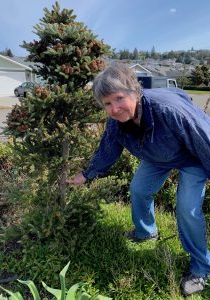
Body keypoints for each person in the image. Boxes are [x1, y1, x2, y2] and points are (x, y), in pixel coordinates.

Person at [66, 62, 210, 296]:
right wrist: (87, 174)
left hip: (192, 156)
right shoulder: (116, 123)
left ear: (135, 90)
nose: (114, 109)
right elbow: (108, 149)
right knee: (139, 189)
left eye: (119, 98)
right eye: (107, 104)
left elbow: (204, 138)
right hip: (157, 156)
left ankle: (201, 268)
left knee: (187, 209)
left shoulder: (168, 110)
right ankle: (146, 231)